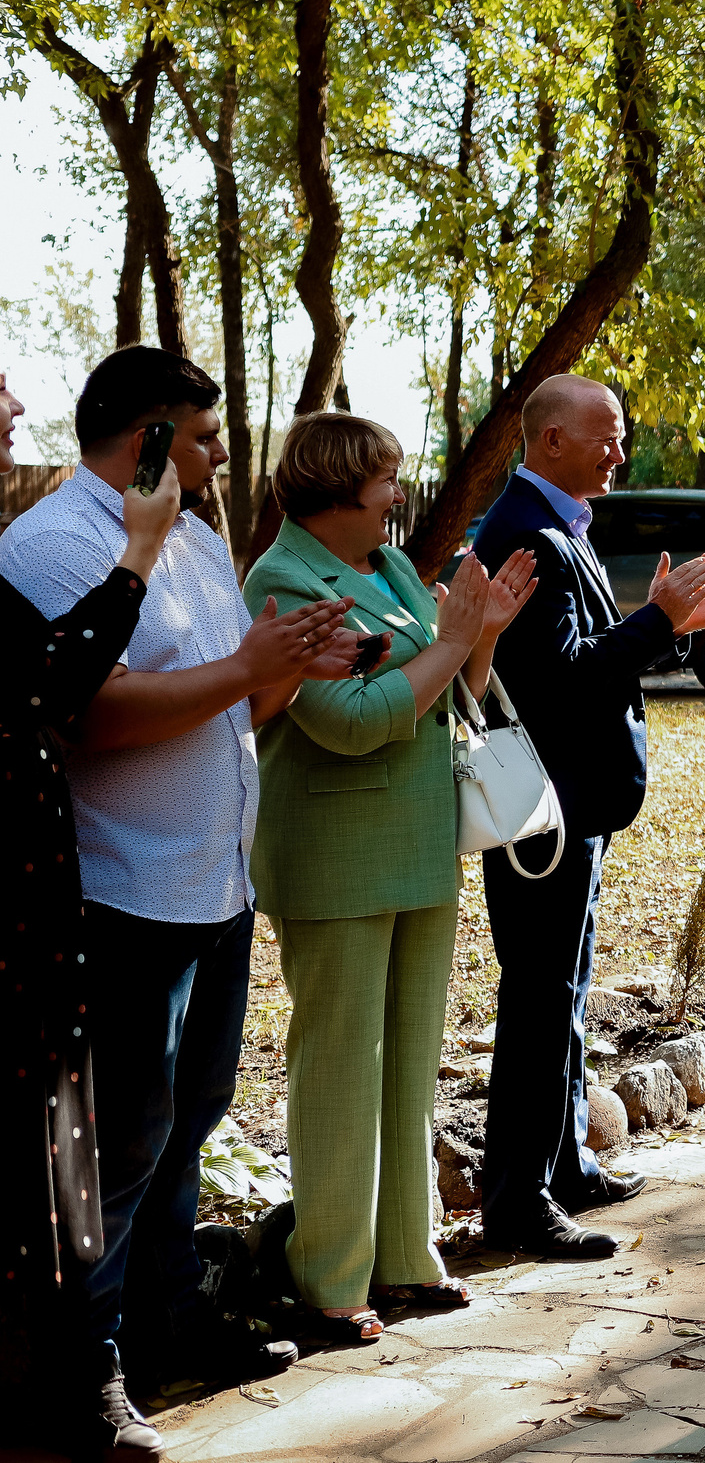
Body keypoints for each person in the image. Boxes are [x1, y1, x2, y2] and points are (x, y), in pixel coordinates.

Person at [0, 347, 358, 1432]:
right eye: (199, 437)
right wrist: (250, 671)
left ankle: (171, 1324)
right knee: (113, 1146)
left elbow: (226, 709)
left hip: (212, 884)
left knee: (188, 1121)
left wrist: (293, 664)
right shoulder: (53, 544)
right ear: (147, 434)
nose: (217, 455)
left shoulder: (196, 537)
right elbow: (89, 711)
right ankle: (89, 1372)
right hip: (123, 893)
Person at [242, 413, 539, 1341]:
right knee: (340, 1066)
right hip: (334, 855)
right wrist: (444, 647)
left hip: (417, 847)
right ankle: (329, 1280)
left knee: (411, 1060)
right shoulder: (283, 578)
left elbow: (452, 687)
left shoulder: (398, 567)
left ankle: (406, 1258)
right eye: (386, 480)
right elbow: (351, 718)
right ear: (337, 487)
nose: (400, 494)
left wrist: (479, 633)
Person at [472, 375, 705, 1256]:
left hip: (576, 804)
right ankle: (516, 1199)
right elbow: (566, 680)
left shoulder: (559, 522)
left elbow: (597, 659)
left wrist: (674, 623)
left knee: (569, 989)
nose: (620, 453)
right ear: (550, 440)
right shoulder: (523, 532)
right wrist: (657, 619)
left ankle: (564, 1165)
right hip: (541, 815)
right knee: (540, 996)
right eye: (607, 437)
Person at [0, 370, 181, 1458]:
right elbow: (48, 688)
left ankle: (74, 1382)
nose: (16, 414)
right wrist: (138, 558)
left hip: (35, 912)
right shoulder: (49, 545)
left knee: (61, 1160)